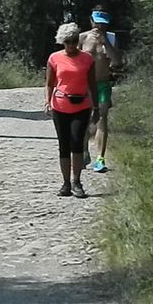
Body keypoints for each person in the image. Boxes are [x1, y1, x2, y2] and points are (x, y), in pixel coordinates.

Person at [45, 22, 98, 198]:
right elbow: (49, 83)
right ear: (62, 41)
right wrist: (47, 101)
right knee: (63, 145)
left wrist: (96, 106)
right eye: (67, 41)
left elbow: (93, 84)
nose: (71, 45)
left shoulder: (87, 59)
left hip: (82, 106)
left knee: (77, 143)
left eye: (74, 40)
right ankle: (65, 183)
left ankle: (77, 181)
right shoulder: (54, 58)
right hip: (60, 106)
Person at [78, 6, 122, 173]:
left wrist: (106, 43)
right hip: (84, 85)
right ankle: (84, 152)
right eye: (97, 24)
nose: (100, 28)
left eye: (103, 25)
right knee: (84, 121)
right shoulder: (82, 38)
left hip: (103, 84)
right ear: (91, 21)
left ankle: (100, 159)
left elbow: (117, 61)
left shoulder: (111, 38)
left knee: (101, 118)